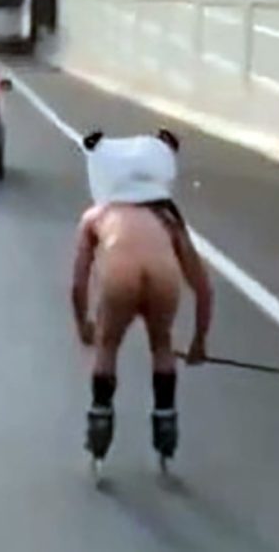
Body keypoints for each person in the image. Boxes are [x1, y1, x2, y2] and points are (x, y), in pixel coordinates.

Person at [71, 129, 213, 462]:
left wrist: (83, 324)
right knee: (162, 344)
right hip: (163, 277)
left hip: (118, 277)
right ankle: (165, 419)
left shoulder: (96, 217)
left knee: (107, 344)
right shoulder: (168, 219)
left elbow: (78, 284)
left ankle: (100, 417)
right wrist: (199, 341)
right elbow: (203, 287)